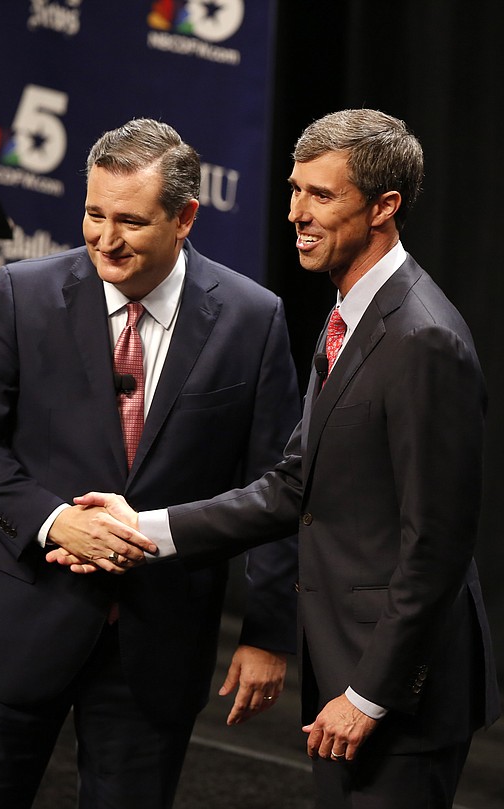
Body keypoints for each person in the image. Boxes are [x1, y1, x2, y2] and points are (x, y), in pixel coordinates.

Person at [56, 109, 501, 808]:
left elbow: (437, 545)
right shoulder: (347, 315)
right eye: (295, 190)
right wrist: (143, 527)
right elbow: (294, 484)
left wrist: (370, 693)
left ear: (384, 207)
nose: (296, 212)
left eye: (321, 195)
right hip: (349, 671)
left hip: (397, 692)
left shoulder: (423, 339)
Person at [0, 118, 301, 809]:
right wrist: (54, 520)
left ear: (185, 217)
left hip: (156, 646)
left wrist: (269, 633)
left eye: (129, 220)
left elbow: (278, 484)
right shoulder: (23, 294)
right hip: (14, 622)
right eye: (94, 213)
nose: (104, 237)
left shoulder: (253, 318)